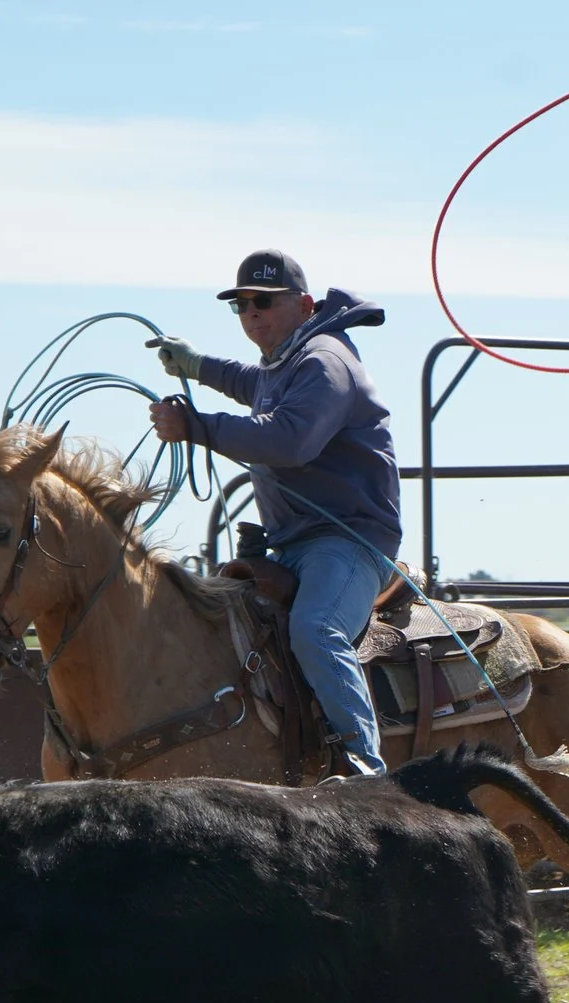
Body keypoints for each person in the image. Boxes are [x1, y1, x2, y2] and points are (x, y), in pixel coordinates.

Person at [147, 250, 400, 776]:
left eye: (263, 301)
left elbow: (290, 439)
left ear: (304, 305)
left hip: (348, 542)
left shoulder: (324, 361)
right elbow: (253, 383)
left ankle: (365, 772)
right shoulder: (288, 361)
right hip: (296, 543)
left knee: (316, 631)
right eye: (240, 305)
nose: (251, 312)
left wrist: (195, 426)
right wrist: (197, 366)